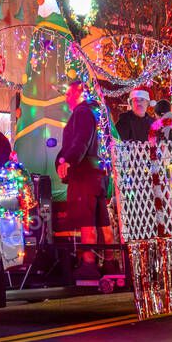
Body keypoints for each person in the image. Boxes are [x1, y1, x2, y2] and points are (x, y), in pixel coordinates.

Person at [56, 81, 116, 282]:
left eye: (68, 93)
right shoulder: (98, 113)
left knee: (86, 221)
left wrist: (67, 161)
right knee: (102, 221)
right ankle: (109, 262)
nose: (66, 97)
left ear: (79, 93)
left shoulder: (82, 113)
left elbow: (80, 141)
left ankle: (89, 263)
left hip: (84, 175)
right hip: (98, 175)